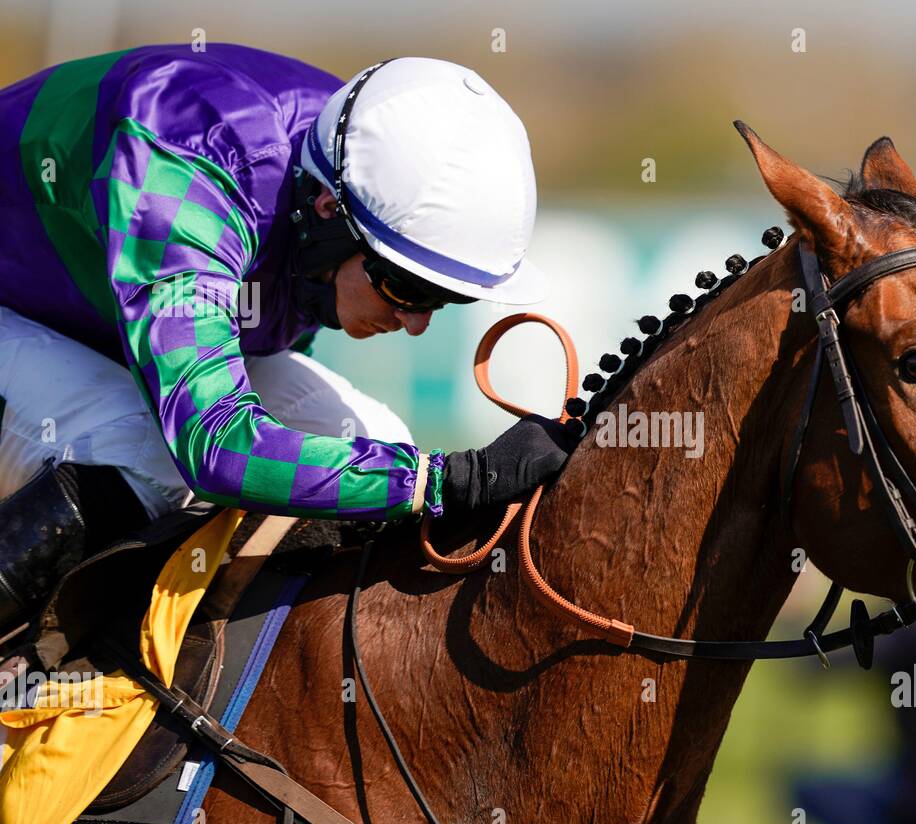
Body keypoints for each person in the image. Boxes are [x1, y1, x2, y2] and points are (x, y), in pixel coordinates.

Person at [0, 46, 573, 639]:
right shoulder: (189, 163)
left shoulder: (349, 171)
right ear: (327, 211)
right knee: (143, 453)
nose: (416, 322)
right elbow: (215, 446)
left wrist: (424, 480)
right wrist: (442, 482)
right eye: (406, 288)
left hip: (84, 321)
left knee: (379, 440)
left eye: (444, 298)